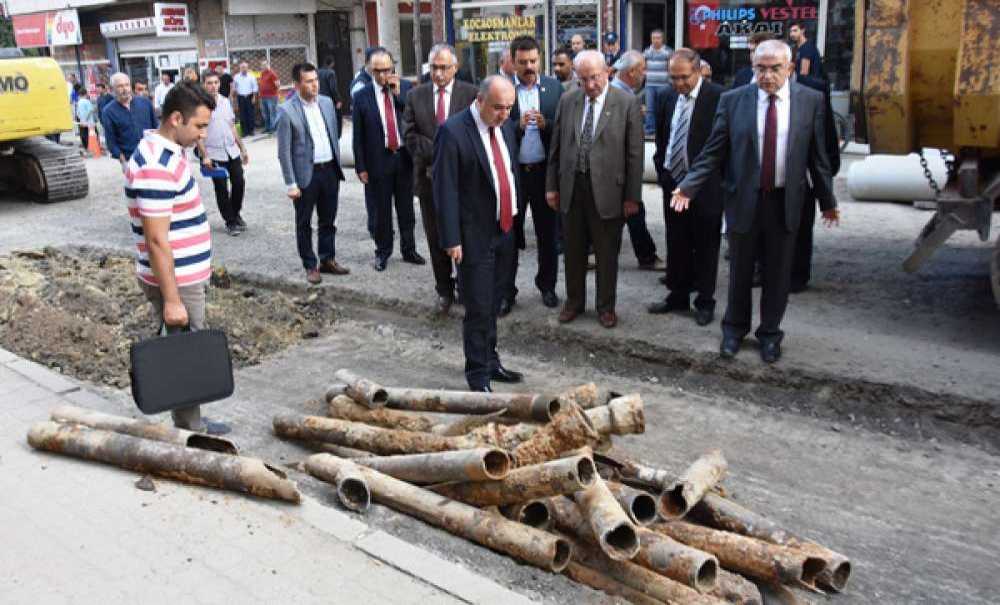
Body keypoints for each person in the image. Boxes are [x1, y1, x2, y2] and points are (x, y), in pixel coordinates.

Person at [670, 40, 839, 363]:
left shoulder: (810, 101)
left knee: (777, 274)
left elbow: (817, 157)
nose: (767, 75)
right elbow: (713, 151)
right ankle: (733, 330)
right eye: (760, 68)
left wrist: (827, 200)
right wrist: (688, 186)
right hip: (744, 200)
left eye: (775, 68)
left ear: (789, 69)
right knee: (740, 272)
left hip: (785, 202)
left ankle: (770, 334)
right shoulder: (734, 101)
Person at [125, 80, 228, 435]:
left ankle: (191, 418)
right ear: (175, 118)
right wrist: (171, 300)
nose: (202, 134)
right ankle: (189, 429)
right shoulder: (156, 164)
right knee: (184, 353)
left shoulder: (170, 152)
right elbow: (156, 239)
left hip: (186, 275)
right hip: (177, 282)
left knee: (188, 348)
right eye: (198, 126)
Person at [434, 76, 524, 391]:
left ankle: (491, 360)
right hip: (473, 236)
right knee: (477, 306)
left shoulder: (507, 127)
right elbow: (445, 189)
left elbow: (508, 173)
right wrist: (451, 239)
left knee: (495, 300)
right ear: (480, 101)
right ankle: (478, 374)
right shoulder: (453, 131)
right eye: (498, 107)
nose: (504, 114)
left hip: (505, 229)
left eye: (509, 108)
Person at [545, 50, 644, 329]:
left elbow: (635, 155)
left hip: (609, 191)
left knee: (606, 253)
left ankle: (605, 307)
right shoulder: (568, 100)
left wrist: (632, 197)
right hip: (572, 187)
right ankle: (574, 302)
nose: (589, 85)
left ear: (607, 72)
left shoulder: (626, 103)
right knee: (573, 251)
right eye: (583, 79)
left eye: (595, 78)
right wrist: (552, 186)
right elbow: (556, 147)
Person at [402, 44, 478, 316]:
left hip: (464, 183)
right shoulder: (415, 95)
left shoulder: (470, 94)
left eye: (444, 67)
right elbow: (409, 136)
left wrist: (449, 152)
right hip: (429, 180)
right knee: (436, 239)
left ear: (455, 68)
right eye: (434, 67)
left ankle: (466, 289)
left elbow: (475, 134)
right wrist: (442, 150)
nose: (438, 73)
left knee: (464, 237)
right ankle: (444, 290)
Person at [649, 48, 724, 325]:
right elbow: (662, 137)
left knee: (706, 244)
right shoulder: (667, 96)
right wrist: (663, 170)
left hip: (705, 185)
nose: (679, 83)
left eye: (683, 78)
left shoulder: (717, 97)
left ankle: (705, 300)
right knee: (676, 240)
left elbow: (723, 145)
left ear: (698, 70)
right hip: (673, 180)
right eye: (673, 78)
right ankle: (677, 294)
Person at [503, 36, 564, 315]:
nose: (529, 66)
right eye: (523, 62)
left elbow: (564, 131)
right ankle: (506, 291)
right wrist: (516, 125)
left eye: (533, 61)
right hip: (513, 175)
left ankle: (547, 286)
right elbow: (493, 129)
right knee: (509, 237)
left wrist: (546, 124)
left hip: (544, 175)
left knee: (547, 236)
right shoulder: (502, 89)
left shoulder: (554, 88)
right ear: (512, 62)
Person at [276, 62, 349, 284]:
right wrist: (291, 183)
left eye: (315, 80)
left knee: (328, 219)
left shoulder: (326, 103)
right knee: (304, 223)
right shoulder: (287, 111)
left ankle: (327, 259)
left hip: (329, 171)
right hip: (305, 176)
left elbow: (333, 133)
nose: (315, 85)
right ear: (297, 85)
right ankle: (310, 265)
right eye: (308, 81)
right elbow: (284, 151)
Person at [352, 49, 423, 272]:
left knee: (406, 209)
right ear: (370, 70)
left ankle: (409, 249)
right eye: (378, 71)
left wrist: (398, 94)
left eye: (387, 70)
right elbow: (358, 136)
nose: (383, 76)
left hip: (403, 158)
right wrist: (361, 166)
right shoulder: (361, 95)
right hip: (378, 160)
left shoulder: (405, 88)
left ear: (393, 68)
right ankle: (382, 252)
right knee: (381, 211)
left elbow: (413, 116)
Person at [610, 51, 663, 273]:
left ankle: (645, 255)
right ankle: (646, 256)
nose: (645, 74)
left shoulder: (625, 95)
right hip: (618, 171)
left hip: (622, 171)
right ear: (631, 72)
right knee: (629, 211)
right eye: (642, 70)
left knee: (631, 212)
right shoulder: (617, 96)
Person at [197, 71, 249, 237]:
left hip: (231, 150)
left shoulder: (226, 101)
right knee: (221, 188)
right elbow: (198, 133)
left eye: (215, 82)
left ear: (219, 84)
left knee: (239, 182)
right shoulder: (199, 105)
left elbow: (232, 126)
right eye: (209, 83)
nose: (213, 86)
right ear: (203, 85)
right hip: (213, 153)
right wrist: (204, 155)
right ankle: (230, 221)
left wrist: (242, 148)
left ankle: (235, 213)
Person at [101, 72, 158, 172]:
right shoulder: (108, 112)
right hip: (131, 160)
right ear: (112, 89)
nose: (125, 89)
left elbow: (156, 129)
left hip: (152, 156)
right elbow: (111, 142)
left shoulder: (145, 103)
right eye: (120, 86)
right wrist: (123, 162)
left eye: (127, 85)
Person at [643, 29, 672, 135]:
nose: (656, 40)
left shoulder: (668, 52)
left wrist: (670, 82)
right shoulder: (646, 52)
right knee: (650, 108)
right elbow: (642, 66)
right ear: (651, 39)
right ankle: (650, 130)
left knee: (663, 109)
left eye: (658, 38)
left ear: (662, 39)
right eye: (654, 38)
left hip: (663, 86)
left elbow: (671, 68)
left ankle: (663, 130)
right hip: (650, 85)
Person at [317, 58, 344, 137]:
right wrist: (338, 100)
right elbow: (333, 88)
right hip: (330, 100)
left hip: (319, 99)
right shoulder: (331, 73)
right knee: (335, 119)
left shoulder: (318, 72)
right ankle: (336, 136)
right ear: (332, 63)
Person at [232, 62, 258, 136]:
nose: (244, 69)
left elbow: (255, 87)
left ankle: (251, 130)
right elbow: (234, 87)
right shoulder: (236, 76)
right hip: (241, 97)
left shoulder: (251, 76)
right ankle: (244, 131)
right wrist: (235, 98)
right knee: (242, 115)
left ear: (247, 68)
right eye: (242, 67)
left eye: (245, 67)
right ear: (240, 68)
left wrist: (254, 97)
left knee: (251, 114)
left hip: (250, 97)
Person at [257, 61, 280, 134]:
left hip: (271, 97)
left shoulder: (272, 73)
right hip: (263, 97)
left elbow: (278, 85)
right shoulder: (262, 74)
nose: (263, 66)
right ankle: (267, 128)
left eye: (265, 65)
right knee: (265, 114)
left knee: (272, 113)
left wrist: (275, 93)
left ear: (268, 65)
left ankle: (273, 128)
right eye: (262, 65)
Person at [75, 85, 95, 150]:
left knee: (83, 135)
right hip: (89, 122)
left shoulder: (79, 102)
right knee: (91, 135)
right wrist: (85, 119)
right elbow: (90, 111)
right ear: (86, 94)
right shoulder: (87, 101)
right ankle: (91, 148)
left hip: (82, 122)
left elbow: (77, 113)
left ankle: (86, 147)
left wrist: (81, 120)